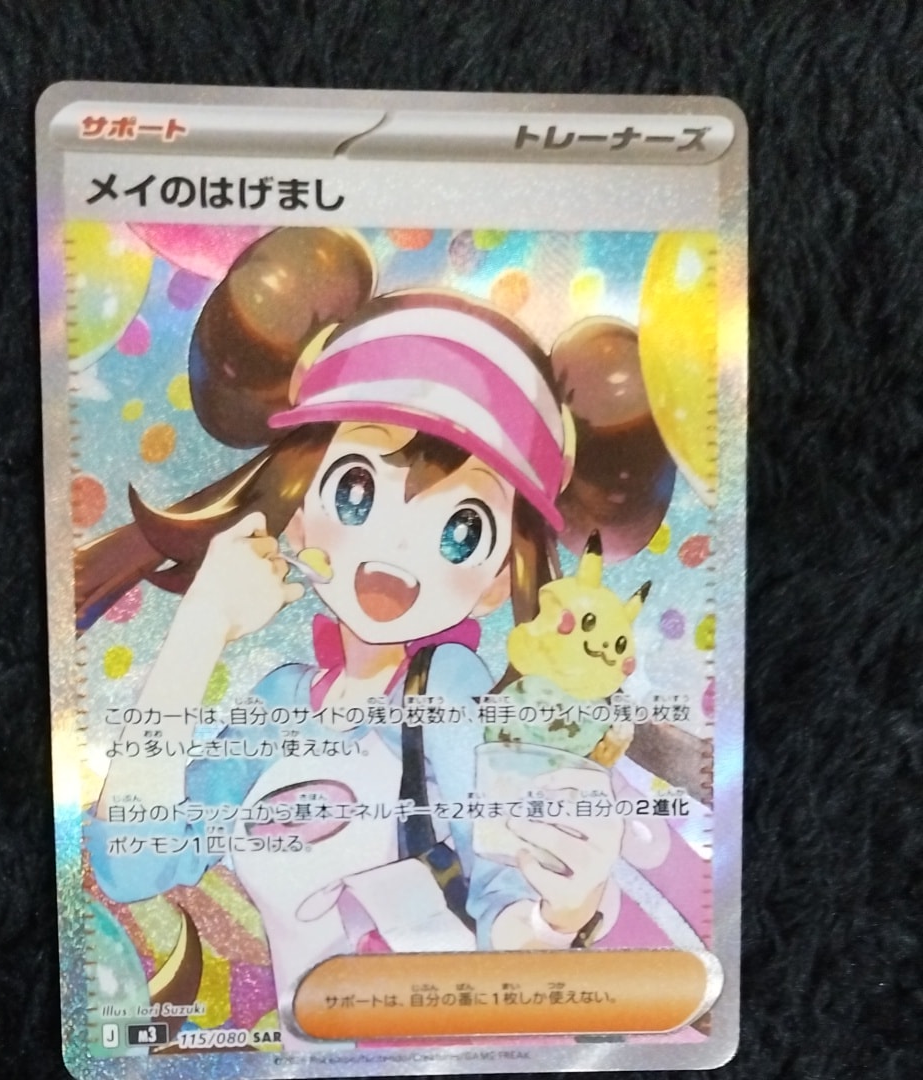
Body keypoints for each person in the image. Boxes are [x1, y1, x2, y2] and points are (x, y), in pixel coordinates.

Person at [76, 230, 705, 1044]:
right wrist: (198, 629)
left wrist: (564, 908)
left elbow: (504, 908)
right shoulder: (282, 701)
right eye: (356, 490)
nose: (396, 556)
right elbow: (136, 860)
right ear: (298, 507)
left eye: (460, 530)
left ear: (496, 577)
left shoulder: (451, 690)